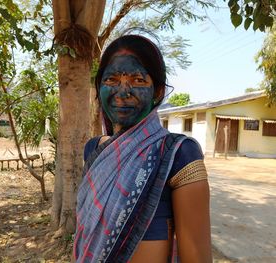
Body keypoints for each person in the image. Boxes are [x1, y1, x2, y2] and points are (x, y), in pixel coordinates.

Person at [73, 34, 212, 263]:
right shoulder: (93, 151)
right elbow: (84, 236)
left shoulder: (178, 155)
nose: (123, 90)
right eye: (111, 80)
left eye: (138, 80)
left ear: (158, 92)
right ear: (99, 88)